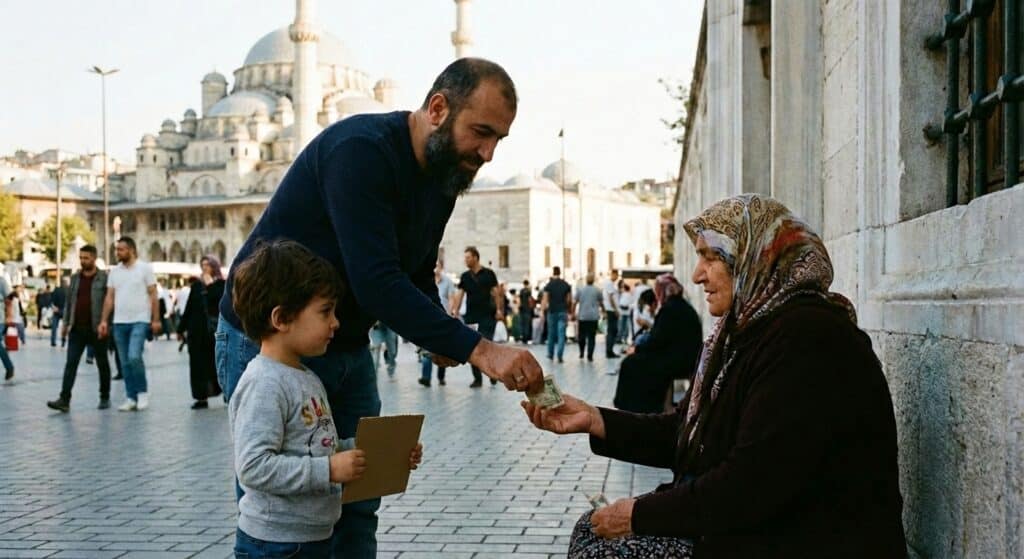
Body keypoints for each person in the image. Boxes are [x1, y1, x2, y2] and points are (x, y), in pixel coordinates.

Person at [215, 58, 543, 557]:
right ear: (438, 108)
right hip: (271, 344)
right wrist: (479, 349)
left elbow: (412, 270)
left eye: (499, 139)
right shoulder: (360, 152)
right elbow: (375, 280)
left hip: (341, 342)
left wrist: (437, 334)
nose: (488, 153)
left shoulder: (442, 173)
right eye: (481, 132)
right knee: (280, 510)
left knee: (361, 494)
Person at [523, 194, 907, 558]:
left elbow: (752, 483)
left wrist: (638, 515)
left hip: (804, 540)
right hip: (758, 529)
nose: (696, 275)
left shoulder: (809, 338)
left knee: (605, 551)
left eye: (711, 258)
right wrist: (595, 419)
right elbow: (689, 433)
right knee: (590, 530)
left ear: (754, 258)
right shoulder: (744, 331)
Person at [228, 240, 423, 559]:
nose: (336, 322)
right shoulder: (264, 383)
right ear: (281, 318)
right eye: (325, 312)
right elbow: (253, 467)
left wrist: (380, 453)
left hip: (313, 538)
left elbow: (319, 446)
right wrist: (329, 470)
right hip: (276, 545)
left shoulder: (307, 376)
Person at [612, 274, 702, 414]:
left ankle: (627, 406)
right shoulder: (681, 307)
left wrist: (637, 349)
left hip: (678, 360)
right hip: (684, 357)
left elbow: (657, 340)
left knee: (629, 364)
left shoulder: (669, 309)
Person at [45, 245, 114, 412]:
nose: (83, 261)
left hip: (97, 327)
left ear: (94, 258)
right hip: (77, 328)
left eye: (86, 258)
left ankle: (104, 396)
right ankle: (64, 399)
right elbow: (70, 302)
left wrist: (106, 324)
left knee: (102, 363)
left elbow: (109, 302)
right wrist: (66, 323)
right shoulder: (75, 278)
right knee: (71, 364)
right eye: (81, 258)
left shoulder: (104, 278)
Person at [98, 237, 161, 412]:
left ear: (131, 250)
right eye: (117, 250)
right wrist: (104, 320)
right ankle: (130, 397)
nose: (117, 252)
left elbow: (153, 295)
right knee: (124, 362)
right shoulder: (114, 272)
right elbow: (109, 298)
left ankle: (142, 393)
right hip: (119, 322)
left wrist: (155, 319)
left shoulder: (145, 269)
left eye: (121, 250)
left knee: (134, 356)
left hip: (140, 320)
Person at [177, 255, 225, 409]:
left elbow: (219, 303)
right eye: (202, 264)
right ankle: (200, 397)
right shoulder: (196, 286)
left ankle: (225, 391)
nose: (204, 268)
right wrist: (181, 328)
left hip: (214, 331)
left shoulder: (221, 285)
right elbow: (189, 308)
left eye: (208, 264)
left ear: (214, 266)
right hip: (196, 331)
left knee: (216, 363)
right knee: (197, 365)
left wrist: (210, 285)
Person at [450, 246, 503, 387]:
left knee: (487, 345)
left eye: (468, 257)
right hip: (471, 317)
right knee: (472, 347)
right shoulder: (465, 276)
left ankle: (493, 374)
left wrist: (499, 310)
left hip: (487, 315)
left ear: (475, 257)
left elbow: (496, 292)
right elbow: (460, 294)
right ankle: (477, 378)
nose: (465, 260)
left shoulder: (489, 274)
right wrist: (454, 311)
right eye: (465, 257)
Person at [419, 262, 455, 387]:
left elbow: (451, 298)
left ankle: (441, 376)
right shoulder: (426, 281)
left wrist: (450, 314)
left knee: (442, 349)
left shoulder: (448, 282)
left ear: (441, 268)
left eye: (437, 266)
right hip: (428, 319)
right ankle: (426, 377)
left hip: (443, 318)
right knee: (427, 349)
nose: (435, 269)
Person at [541, 266, 572, 363]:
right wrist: (569, 310)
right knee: (561, 334)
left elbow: (545, 299)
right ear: (560, 273)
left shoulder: (549, 285)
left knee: (551, 334)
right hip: (562, 311)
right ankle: (560, 355)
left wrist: (542, 311)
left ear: (553, 273)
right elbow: (569, 300)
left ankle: (550, 354)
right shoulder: (566, 285)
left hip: (552, 311)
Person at [574, 273, 602, 362]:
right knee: (592, 337)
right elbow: (601, 301)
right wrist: (604, 311)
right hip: (593, 316)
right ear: (593, 280)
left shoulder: (580, 290)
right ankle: (590, 355)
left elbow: (575, 301)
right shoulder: (597, 290)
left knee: (581, 336)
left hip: (583, 316)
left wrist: (572, 311)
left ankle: (582, 352)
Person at [600, 270, 620, 358]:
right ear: (613, 274)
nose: (617, 277)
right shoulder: (609, 284)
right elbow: (611, 298)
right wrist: (615, 310)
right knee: (612, 331)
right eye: (617, 275)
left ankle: (610, 350)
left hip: (610, 309)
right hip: (611, 310)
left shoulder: (609, 284)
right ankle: (609, 351)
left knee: (612, 331)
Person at [0, 274, 14, 381]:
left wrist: (9, 316)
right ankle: (9, 367)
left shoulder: (2, 281)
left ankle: (9, 367)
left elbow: (9, 300)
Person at [50, 279, 68, 347]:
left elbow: (51, 300)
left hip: (57, 310)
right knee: (64, 327)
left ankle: (53, 341)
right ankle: (63, 341)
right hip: (64, 310)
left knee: (54, 327)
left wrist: (54, 307)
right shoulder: (68, 290)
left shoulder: (56, 290)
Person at [517, 279, 535, 344]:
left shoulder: (521, 291)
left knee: (522, 324)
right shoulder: (529, 291)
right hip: (527, 309)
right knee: (527, 324)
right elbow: (530, 300)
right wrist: (531, 307)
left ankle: (523, 337)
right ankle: (526, 338)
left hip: (522, 309)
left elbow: (519, 300)